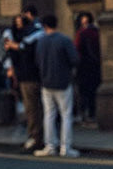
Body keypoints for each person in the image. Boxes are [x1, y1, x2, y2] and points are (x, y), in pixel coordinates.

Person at [34, 14, 80, 158]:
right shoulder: (64, 40)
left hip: (46, 82)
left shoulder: (40, 42)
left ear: (44, 26)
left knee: (49, 114)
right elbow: (75, 59)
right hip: (63, 82)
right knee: (66, 115)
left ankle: (50, 146)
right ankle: (65, 147)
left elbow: (37, 61)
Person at [5, 5, 45, 151]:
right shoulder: (24, 35)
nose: (18, 24)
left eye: (21, 20)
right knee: (33, 108)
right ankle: (36, 136)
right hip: (26, 75)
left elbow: (25, 48)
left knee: (32, 109)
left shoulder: (33, 35)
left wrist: (15, 47)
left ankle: (36, 137)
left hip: (30, 76)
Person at [74, 11, 101, 122]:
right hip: (94, 64)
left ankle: (85, 114)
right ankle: (92, 113)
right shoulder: (96, 31)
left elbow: (76, 48)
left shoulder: (82, 33)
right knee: (92, 90)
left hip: (83, 65)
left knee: (84, 91)